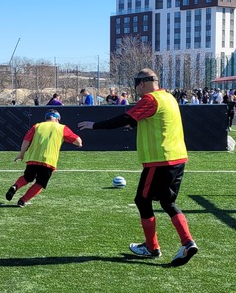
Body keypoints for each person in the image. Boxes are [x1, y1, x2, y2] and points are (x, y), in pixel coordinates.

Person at [78, 68, 198, 267]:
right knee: (168, 202)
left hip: (159, 160)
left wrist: (94, 125)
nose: (136, 90)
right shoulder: (169, 97)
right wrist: (133, 124)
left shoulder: (150, 99)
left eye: (136, 85)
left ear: (142, 83)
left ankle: (152, 247)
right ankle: (187, 242)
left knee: (142, 201)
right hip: (177, 158)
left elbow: (125, 118)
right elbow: (153, 120)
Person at [6, 110, 82, 207]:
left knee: (27, 177)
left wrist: (21, 154)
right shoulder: (62, 128)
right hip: (48, 161)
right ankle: (23, 200)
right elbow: (78, 141)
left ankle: (15, 186)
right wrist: (78, 144)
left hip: (33, 158)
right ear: (57, 118)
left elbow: (26, 141)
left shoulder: (37, 126)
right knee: (40, 183)